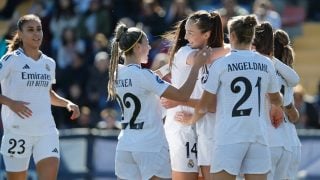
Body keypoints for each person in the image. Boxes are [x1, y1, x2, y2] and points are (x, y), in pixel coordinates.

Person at [107, 22, 210, 180]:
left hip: (125, 146)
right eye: (147, 44)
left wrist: (169, 68)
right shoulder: (144, 76)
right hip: (150, 146)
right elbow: (182, 95)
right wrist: (196, 67)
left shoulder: (117, 73)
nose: (149, 48)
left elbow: (143, 81)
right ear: (137, 48)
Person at [185, 15, 283, 180]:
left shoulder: (221, 64)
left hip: (229, 136)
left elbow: (204, 105)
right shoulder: (266, 63)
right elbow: (276, 98)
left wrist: (191, 120)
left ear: (233, 36)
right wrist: (276, 106)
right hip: (257, 135)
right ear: (252, 36)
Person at [0, 14, 80, 180]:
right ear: (20, 35)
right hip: (17, 133)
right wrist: (11, 103)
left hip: (46, 131)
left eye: (39, 29)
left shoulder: (48, 62)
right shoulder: (10, 60)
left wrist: (68, 103)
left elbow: (47, 93)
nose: (36, 34)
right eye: (30, 30)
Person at [161, 10, 230, 180]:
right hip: (181, 126)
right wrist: (236, 46)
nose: (185, 36)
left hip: (205, 126)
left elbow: (212, 104)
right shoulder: (185, 52)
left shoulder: (219, 60)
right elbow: (203, 58)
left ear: (206, 34)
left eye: (191, 32)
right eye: (185, 31)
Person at [252, 22, 298, 180]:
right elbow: (295, 79)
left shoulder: (260, 68)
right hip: (286, 141)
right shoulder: (285, 74)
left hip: (266, 139)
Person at [274, 29, 302, 179]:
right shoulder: (287, 72)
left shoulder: (264, 67)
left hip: (271, 137)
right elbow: (294, 115)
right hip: (291, 140)